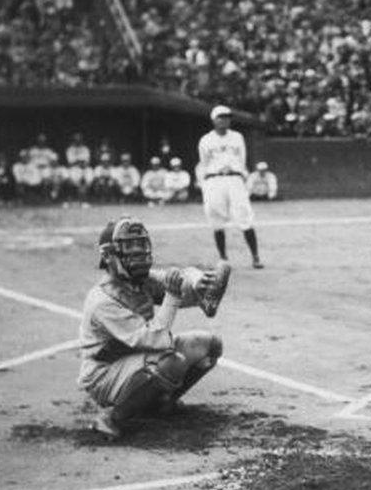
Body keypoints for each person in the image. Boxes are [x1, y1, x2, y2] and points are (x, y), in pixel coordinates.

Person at [77, 216, 230, 438]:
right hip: (104, 373)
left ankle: (160, 402)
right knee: (172, 362)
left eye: (140, 245)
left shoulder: (139, 280)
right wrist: (172, 297)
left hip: (136, 358)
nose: (138, 253)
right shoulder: (103, 300)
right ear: (110, 257)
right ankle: (111, 416)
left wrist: (199, 283)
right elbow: (156, 338)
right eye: (130, 248)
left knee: (211, 345)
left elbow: (178, 277)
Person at [197, 105, 263, 269]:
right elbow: (204, 163)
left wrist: (240, 176)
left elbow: (242, 159)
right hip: (214, 179)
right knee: (215, 217)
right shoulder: (206, 140)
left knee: (244, 215)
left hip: (234, 179)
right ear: (213, 119)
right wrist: (205, 183)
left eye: (227, 117)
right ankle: (223, 258)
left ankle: (255, 257)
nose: (224, 120)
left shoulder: (237, 137)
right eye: (220, 117)